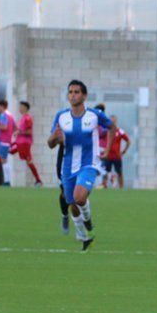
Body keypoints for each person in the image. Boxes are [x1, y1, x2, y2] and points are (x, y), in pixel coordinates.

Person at [47, 80, 114, 251]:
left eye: (76, 92)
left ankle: (88, 218)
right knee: (72, 203)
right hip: (68, 166)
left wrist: (107, 148)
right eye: (70, 92)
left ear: (84, 96)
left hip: (89, 163)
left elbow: (112, 127)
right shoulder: (61, 117)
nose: (73, 95)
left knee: (79, 197)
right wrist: (55, 138)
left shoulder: (94, 115)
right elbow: (50, 143)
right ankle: (83, 236)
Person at [10, 101, 43, 186]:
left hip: (24, 143)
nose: (19, 108)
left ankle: (38, 180)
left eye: (21, 107)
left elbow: (29, 131)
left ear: (25, 107)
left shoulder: (28, 118)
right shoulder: (23, 118)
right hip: (19, 143)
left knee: (29, 161)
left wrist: (19, 133)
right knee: (7, 151)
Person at [101, 115, 131, 188]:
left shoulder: (120, 131)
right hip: (107, 156)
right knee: (105, 172)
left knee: (119, 172)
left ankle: (121, 188)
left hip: (117, 156)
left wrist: (124, 151)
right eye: (111, 121)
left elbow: (128, 141)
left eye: (114, 121)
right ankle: (104, 186)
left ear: (116, 122)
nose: (112, 123)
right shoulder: (105, 130)